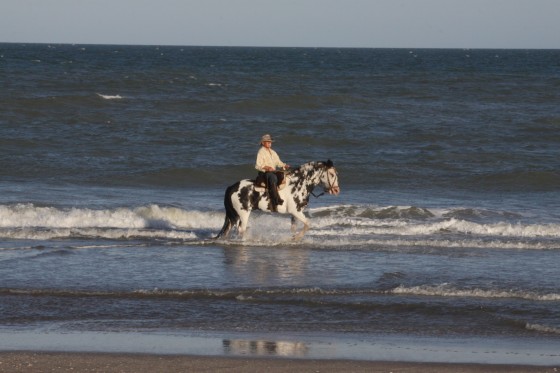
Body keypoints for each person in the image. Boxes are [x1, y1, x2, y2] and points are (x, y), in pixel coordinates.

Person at [255, 134, 289, 210]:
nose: (270, 143)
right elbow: (257, 166)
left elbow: (278, 162)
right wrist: (266, 168)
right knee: (273, 177)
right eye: (268, 142)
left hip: (273, 171)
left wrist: (284, 165)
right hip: (264, 173)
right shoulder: (261, 152)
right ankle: (275, 199)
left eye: (270, 142)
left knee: (283, 175)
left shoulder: (273, 152)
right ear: (263, 143)